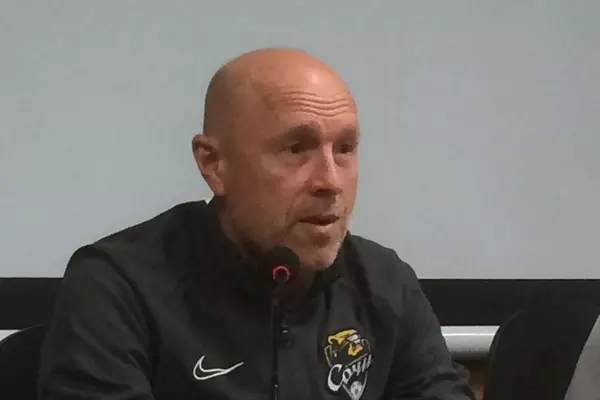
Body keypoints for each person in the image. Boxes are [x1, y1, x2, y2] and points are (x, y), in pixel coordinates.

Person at [37, 47, 475, 400]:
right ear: (214, 164)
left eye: (345, 148)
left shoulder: (384, 282)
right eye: (296, 149)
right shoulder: (119, 285)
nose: (330, 181)